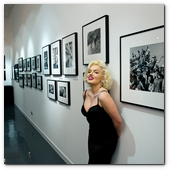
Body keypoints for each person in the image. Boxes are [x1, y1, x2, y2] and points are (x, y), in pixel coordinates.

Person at [81, 60, 122, 164]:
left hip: (106, 140)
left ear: (103, 78)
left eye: (96, 72)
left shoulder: (103, 95)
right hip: (92, 136)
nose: (91, 73)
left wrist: (117, 135)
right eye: (89, 71)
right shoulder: (85, 94)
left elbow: (118, 121)